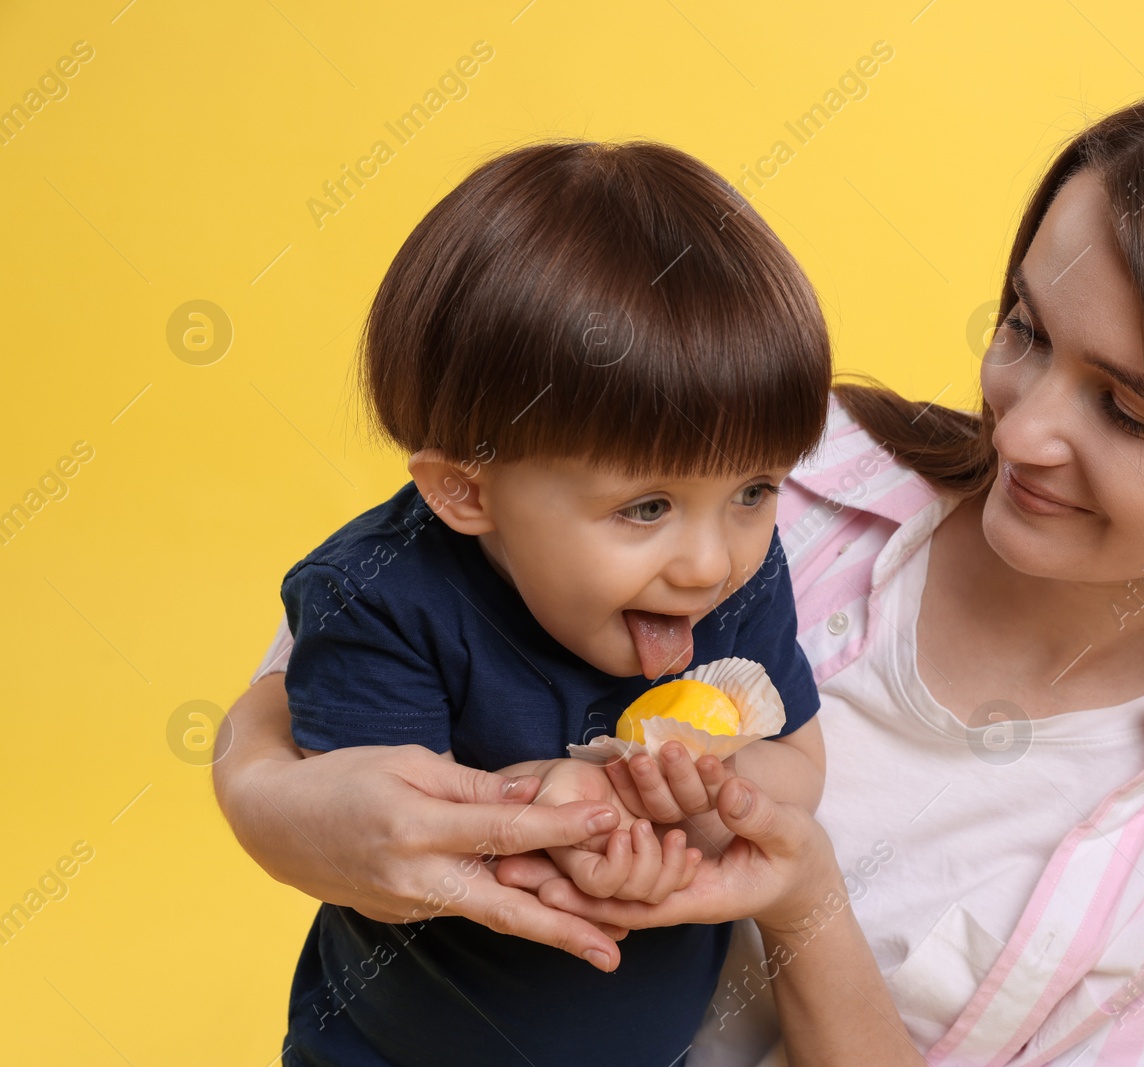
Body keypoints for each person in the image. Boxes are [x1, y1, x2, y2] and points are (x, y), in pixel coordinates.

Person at [215, 78, 1144, 1064]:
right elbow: (358, 636)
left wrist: (803, 899)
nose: (1023, 426)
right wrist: (273, 804)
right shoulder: (763, 462)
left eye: (1129, 412)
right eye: (1027, 332)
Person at [249, 139, 833, 1066]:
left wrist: (718, 795)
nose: (709, 562)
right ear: (466, 492)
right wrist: (560, 807)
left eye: (755, 489)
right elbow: (383, 850)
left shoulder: (740, 574)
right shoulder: (379, 598)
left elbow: (797, 758)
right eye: (647, 507)